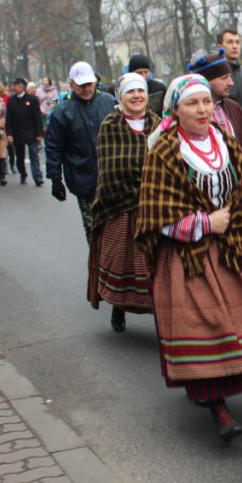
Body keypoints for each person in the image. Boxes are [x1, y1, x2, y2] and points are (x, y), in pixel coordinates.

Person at [134, 74, 242, 442]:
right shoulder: (164, 151)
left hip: (229, 250)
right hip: (187, 256)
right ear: (175, 109)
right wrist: (205, 222)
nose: (202, 109)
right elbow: (154, 213)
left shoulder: (225, 141)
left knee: (233, 326)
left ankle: (222, 389)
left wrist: (238, 221)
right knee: (206, 325)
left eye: (207, 102)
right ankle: (217, 406)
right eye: (192, 103)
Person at [87, 73, 157, 333]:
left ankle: (159, 313)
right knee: (123, 261)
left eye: (141, 91)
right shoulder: (111, 125)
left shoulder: (158, 124)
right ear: (121, 97)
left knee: (154, 264)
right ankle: (118, 307)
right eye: (131, 92)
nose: (137, 96)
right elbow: (110, 168)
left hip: (152, 207)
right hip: (119, 206)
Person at [46, 61, 117, 242]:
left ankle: (115, 267)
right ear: (71, 85)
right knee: (94, 228)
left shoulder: (109, 102)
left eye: (89, 84)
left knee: (116, 228)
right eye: (81, 85)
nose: (86, 89)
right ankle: (97, 266)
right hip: (84, 179)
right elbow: (54, 146)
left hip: (113, 180)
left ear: (95, 81)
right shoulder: (63, 111)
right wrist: (55, 179)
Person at [187, 49, 242, 162]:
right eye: (224, 78)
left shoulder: (234, 107)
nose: (231, 83)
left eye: (230, 76)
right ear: (206, 81)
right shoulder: (191, 113)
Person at [5, 77, 46, 186]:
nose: (13, 87)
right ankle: (23, 174)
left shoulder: (32, 99)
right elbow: (8, 118)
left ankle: (38, 177)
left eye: (15, 85)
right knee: (19, 156)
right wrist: (8, 133)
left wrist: (39, 133)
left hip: (31, 132)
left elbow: (37, 117)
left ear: (22, 86)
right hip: (17, 133)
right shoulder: (11, 100)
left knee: (34, 155)